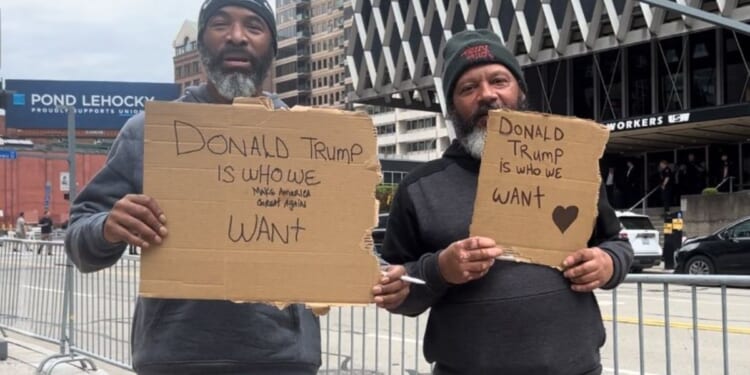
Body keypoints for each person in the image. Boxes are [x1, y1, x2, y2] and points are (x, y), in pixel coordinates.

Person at [64, 1, 321, 374]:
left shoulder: (310, 137)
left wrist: (380, 274)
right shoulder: (148, 133)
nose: (236, 36)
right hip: (176, 357)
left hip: (283, 360)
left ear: (272, 47)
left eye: (253, 26)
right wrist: (107, 228)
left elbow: (343, 238)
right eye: (220, 24)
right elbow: (78, 237)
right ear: (201, 43)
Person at [371, 29, 634, 374]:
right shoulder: (419, 189)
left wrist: (608, 263)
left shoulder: (570, 166)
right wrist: (440, 270)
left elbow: (617, 243)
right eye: (468, 88)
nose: (487, 95)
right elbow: (392, 288)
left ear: (520, 92)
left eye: (499, 80)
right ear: (452, 107)